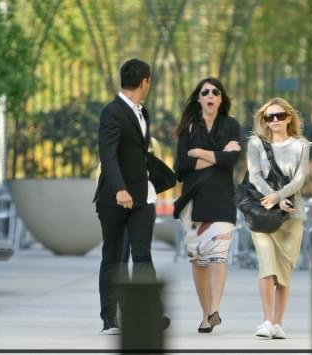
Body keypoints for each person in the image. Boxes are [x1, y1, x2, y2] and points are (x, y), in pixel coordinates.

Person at [93, 58, 172, 335]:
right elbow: (108, 154)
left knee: (142, 255)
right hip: (113, 199)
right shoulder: (111, 112)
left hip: (142, 198)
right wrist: (120, 189)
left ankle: (146, 315)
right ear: (145, 81)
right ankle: (109, 319)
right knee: (113, 257)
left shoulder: (142, 112)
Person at [173, 77, 241, 333]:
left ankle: (214, 309)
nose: (210, 95)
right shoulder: (188, 128)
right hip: (192, 203)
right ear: (198, 98)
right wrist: (217, 156)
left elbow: (232, 159)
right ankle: (205, 315)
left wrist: (198, 153)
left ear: (221, 98)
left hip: (222, 200)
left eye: (215, 92)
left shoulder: (231, 125)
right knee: (199, 261)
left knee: (218, 256)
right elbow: (181, 165)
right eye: (205, 92)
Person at [247, 97, 312, 339]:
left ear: (289, 118)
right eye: (269, 117)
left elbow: (300, 179)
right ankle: (266, 321)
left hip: (292, 215)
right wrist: (273, 198)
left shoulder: (301, 145)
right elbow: (254, 176)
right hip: (263, 213)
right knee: (267, 267)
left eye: (279, 116)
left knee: (284, 273)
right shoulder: (256, 144)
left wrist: (282, 196)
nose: (275, 120)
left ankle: (277, 324)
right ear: (264, 120)